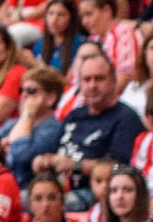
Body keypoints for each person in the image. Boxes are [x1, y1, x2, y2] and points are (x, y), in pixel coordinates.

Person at [33, 54, 143, 209]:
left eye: (99, 79)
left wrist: (75, 165)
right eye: (87, 79)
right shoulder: (75, 115)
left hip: (98, 195)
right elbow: (55, 151)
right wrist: (45, 161)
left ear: (113, 81)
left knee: (49, 206)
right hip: (59, 188)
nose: (92, 85)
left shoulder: (126, 118)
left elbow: (120, 168)